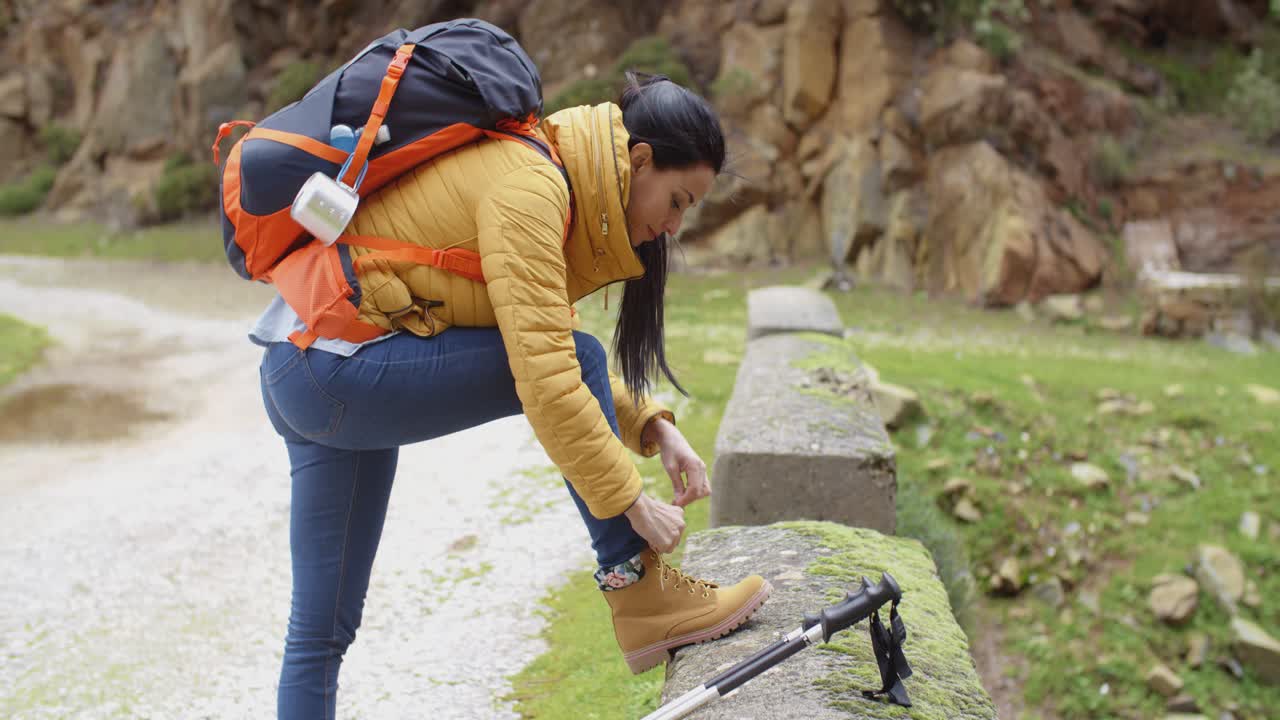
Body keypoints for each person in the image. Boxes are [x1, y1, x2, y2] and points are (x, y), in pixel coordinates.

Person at [252, 72, 771, 718]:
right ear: (639, 161)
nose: (672, 226)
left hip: (303, 357)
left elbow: (542, 334)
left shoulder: (539, 171)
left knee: (320, 630)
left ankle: (644, 599)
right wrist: (632, 502)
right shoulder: (532, 186)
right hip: (334, 367)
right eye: (678, 200)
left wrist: (653, 427)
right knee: (570, 361)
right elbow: (550, 373)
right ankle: (639, 594)